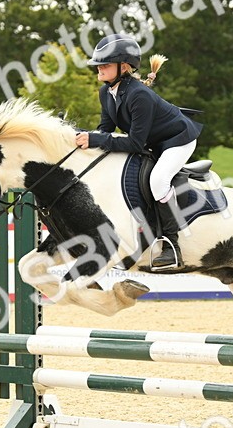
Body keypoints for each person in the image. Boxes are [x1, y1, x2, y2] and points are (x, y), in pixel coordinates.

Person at [74, 33, 202, 269]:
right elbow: (105, 131)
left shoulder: (139, 95)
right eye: (98, 65)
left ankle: (170, 245)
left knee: (158, 180)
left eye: (105, 64)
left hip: (177, 140)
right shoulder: (106, 92)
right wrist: (81, 136)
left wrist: (93, 139)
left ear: (124, 67)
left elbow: (134, 144)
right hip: (154, 141)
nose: (99, 69)